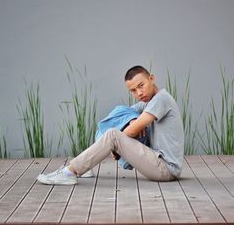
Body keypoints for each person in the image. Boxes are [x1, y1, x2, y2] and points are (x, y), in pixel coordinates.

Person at [37, 65, 184, 185]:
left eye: (141, 85)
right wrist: (132, 120)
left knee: (113, 135)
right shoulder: (147, 103)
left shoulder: (161, 99)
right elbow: (118, 114)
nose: (139, 93)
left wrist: (117, 146)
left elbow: (131, 132)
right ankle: (84, 166)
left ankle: (70, 172)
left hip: (166, 169)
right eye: (133, 90)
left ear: (151, 79)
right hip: (157, 163)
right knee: (112, 124)